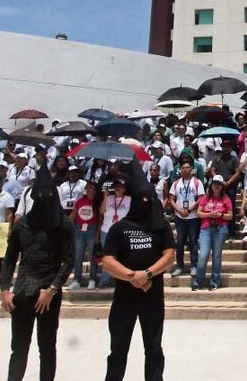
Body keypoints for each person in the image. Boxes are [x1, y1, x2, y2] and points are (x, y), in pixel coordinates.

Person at [0, 161, 75, 381]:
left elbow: (68, 261)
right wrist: (5, 290)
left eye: (47, 193)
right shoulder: (22, 225)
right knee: (19, 348)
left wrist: (52, 289)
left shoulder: (63, 225)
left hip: (47, 293)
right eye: (38, 193)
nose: (43, 197)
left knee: (47, 348)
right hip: (23, 290)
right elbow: (9, 258)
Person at [102, 158, 176, 381]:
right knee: (117, 351)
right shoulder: (118, 228)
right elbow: (108, 261)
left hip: (152, 299)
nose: (146, 202)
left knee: (154, 350)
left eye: (149, 199)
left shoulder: (161, 227)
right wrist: (133, 276)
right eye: (142, 198)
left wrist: (148, 274)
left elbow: (169, 256)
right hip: (124, 299)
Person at [194, 174, 232, 291]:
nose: (217, 186)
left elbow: (230, 216)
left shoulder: (226, 199)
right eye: (215, 183)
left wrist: (221, 215)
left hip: (220, 229)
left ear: (222, 186)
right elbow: (198, 213)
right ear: (211, 185)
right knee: (203, 255)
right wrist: (209, 214)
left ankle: (214, 281)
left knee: (216, 256)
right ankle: (198, 281)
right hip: (206, 228)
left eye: (219, 184)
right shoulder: (205, 198)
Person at [168, 157, 202, 278]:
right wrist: (179, 210)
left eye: (187, 167)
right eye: (183, 168)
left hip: (193, 217)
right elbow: (171, 199)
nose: (185, 169)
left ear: (191, 169)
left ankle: (194, 266)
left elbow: (201, 198)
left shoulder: (197, 182)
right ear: (180, 169)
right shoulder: (176, 183)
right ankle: (179, 266)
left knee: (193, 242)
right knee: (180, 242)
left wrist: (189, 210)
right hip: (179, 217)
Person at [98, 177, 129, 289]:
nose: (117, 188)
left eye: (120, 187)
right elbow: (101, 211)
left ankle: (122, 280)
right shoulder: (109, 198)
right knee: (107, 257)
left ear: (125, 189)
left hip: (122, 232)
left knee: (122, 256)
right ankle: (104, 280)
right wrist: (105, 197)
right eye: (116, 186)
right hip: (106, 230)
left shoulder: (129, 199)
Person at [69, 181, 101, 290]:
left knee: (92, 255)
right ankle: (76, 280)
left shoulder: (97, 202)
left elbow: (100, 221)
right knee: (78, 255)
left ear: (95, 190)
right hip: (79, 229)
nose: (88, 189)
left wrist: (97, 235)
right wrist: (69, 228)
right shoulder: (80, 201)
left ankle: (92, 279)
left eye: (91, 187)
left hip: (92, 229)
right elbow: (72, 215)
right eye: (87, 187)